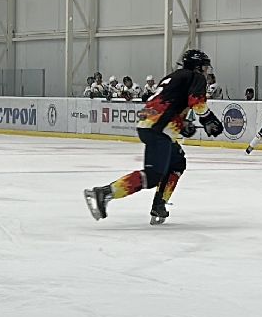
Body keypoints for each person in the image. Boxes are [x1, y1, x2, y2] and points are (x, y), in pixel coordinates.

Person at [85, 48, 223, 225]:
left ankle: (159, 204)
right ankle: (105, 193)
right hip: (160, 129)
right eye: (204, 67)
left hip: (150, 124)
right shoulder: (195, 77)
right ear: (197, 66)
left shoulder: (173, 77)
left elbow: (164, 103)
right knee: (152, 176)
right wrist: (209, 120)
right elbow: (197, 102)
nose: (206, 71)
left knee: (177, 162)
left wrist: (182, 124)